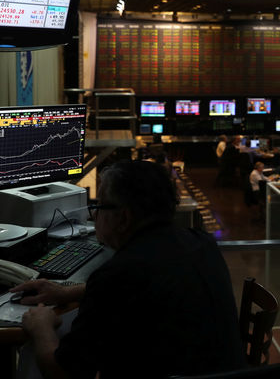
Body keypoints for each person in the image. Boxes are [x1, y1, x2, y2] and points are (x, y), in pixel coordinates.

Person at [14, 160, 245, 378]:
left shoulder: (118, 274)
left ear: (123, 218)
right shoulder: (202, 243)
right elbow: (148, 286)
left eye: (99, 206)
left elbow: (63, 373)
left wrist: (41, 326)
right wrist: (67, 292)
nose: (94, 215)